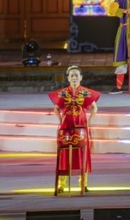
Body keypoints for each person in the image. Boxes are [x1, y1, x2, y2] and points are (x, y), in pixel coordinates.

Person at [48, 65, 100, 193]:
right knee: (64, 154)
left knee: (83, 153)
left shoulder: (86, 92)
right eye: (72, 75)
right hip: (66, 127)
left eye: (76, 75)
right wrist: (60, 119)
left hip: (81, 126)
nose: (74, 78)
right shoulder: (63, 92)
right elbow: (56, 108)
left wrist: (90, 121)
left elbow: (94, 107)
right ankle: (61, 185)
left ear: (81, 77)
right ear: (68, 78)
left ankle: (83, 184)